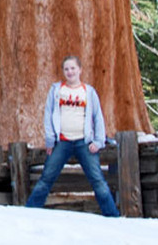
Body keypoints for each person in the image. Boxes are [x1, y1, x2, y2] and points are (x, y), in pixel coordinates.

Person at [24, 55, 120, 217]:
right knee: (46, 178)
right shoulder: (56, 90)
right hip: (62, 142)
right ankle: (29, 213)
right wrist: (50, 139)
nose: (70, 72)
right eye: (66, 69)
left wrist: (98, 141)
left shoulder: (88, 92)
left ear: (80, 70)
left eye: (73, 68)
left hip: (84, 142)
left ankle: (112, 216)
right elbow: (48, 115)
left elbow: (97, 117)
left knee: (98, 181)